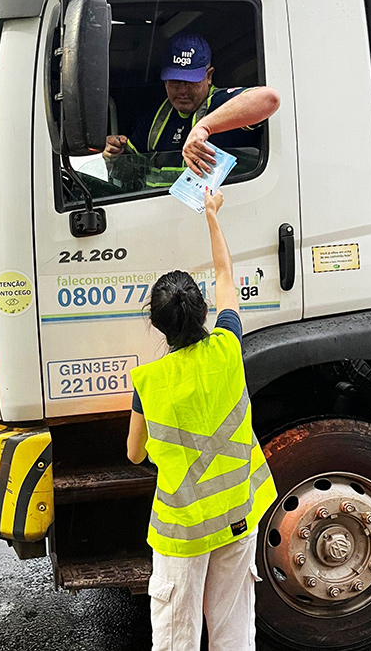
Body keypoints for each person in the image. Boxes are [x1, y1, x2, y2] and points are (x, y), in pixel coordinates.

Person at [127, 188, 277, 651]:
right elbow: (227, 274)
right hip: (237, 511)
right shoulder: (229, 348)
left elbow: (133, 455)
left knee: (177, 635)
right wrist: (211, 215)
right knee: (234, 631)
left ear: (156, 325)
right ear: (204, 312)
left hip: (183, 528)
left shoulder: (149, 383)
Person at [103, 32, 280, 178]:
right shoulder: (157, 117)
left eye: (191, 81)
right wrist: (115, 152)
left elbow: (269, 98)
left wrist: (204, 128)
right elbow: (132, 169)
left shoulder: (220, 102)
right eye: (175, 81)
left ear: (209, 76)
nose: (182, 90)